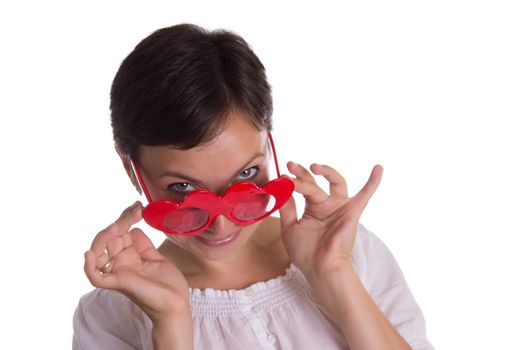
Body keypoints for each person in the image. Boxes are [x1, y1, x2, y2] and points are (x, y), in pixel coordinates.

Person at [73, 23, 433, 350]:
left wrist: (335, 276)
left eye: (246, 175)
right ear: (131, 168)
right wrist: (171, 322)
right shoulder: (112, 315)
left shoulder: (346, 249)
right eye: (182, 187)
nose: (221, 225)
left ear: (269, 146)